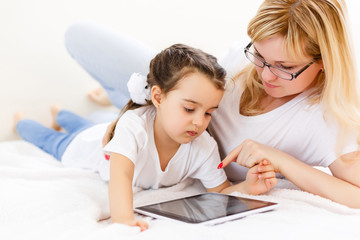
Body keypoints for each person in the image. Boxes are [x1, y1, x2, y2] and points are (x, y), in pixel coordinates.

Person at [63, 0, 360, 208]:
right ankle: (116, 99)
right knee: (79, 36)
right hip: (170, 118)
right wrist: (130, 113)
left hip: (182, 146)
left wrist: (282, 160)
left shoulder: (326, 120)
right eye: (259, 56)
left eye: (284, 66)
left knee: (96, 121)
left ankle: (105, 101)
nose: (266, 74)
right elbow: (180, 93)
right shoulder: (236, 64)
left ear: (323, 62)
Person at [14, 44, 278, 230]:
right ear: (158, 96)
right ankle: (25, 121)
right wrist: (123, 219)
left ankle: (61, 114)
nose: (199, 122)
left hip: (100, 131)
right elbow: (121, 176)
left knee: (82, 122)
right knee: (52, 139)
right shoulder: (134, 125)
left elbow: (219, 191)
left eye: (209, 113)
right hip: (84, 147)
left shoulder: (203, 146)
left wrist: (248, 188)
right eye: (189, 108)